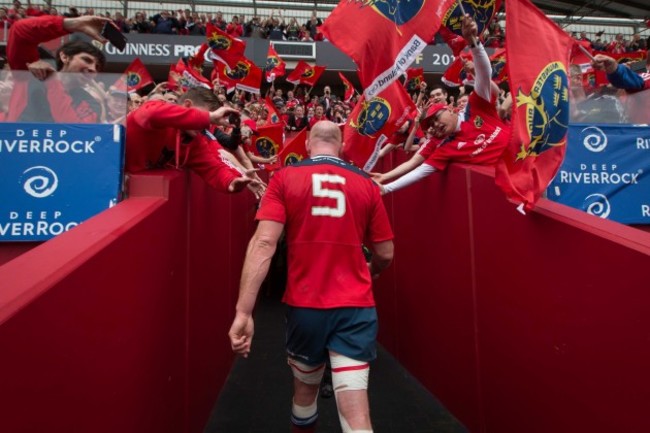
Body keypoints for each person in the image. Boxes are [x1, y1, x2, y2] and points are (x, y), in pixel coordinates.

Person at [228, 120, 394, 433]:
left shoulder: (284, 177)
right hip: (355, 308)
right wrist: (370, 272)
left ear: (307, 145)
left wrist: (243, 311)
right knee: (356, 413)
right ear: (342, 145)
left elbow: (264, 243)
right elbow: (385, 253)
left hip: (306, 306)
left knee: (305, 394)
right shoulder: (367, 184)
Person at [373, 15, 511, 194]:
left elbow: (485, 73)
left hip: (530, 161)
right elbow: (418, 169)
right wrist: (385, 186)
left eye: (436, 118)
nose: (435, 126)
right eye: (430, 125)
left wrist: (473, 41)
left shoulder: (477, 107)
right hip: (511, 184)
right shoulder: (444, 148)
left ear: (450, 108)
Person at [126, 87, 257, 194]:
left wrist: (231, 182)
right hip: (114, 191)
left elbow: (214, 169)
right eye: (208, 117)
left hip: (142, 197)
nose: (207, 125)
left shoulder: (195, 141)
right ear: (187, 105)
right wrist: (208, 117)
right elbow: (151, 114)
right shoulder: (154, 110)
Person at [5, 13, 108, 122]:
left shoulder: (90, 103)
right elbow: (19, 31)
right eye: (86, 60)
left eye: (97, 67)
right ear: (64, 57)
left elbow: (72, 128)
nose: (93, 69)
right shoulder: (32, 72)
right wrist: (71, 24)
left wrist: (53, 81)